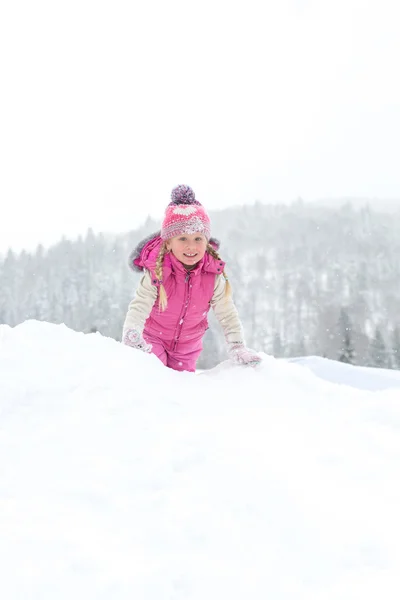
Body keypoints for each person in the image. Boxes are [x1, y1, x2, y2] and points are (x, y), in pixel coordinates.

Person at [122, 184, 261, 372]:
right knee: (153, 379)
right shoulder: (158, 271)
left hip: (188, 347)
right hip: (153, 339)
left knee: (181, 390)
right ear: (169, 243)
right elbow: (140, 304)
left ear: (206, 241)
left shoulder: (212, 276)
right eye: (183, 239)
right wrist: (132, 331)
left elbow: (226, 311)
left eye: (198, 239)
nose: (191, 246)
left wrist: (237, 345)